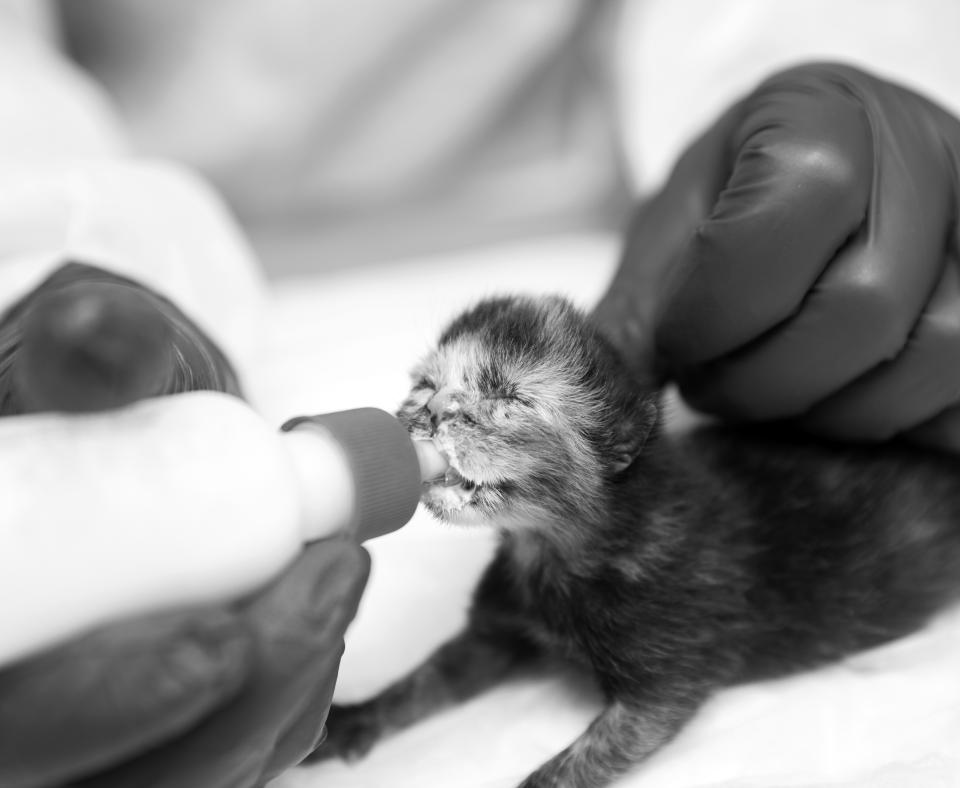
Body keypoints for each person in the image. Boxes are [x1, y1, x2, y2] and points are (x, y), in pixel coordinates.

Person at [2, 1, 960, 786]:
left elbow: (655, 695)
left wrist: (811, 61)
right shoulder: (534, 558)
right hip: (223, 239)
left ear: (622, 441)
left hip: (581, 192)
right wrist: (46, 247)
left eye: (500, 401)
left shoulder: (671, 578)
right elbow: (490, 644)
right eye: (429, 385)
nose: (430, 418)